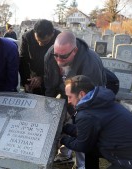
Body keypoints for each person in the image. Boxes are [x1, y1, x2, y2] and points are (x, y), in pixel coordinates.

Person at [61, 75, 132, 169]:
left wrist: (62, 139)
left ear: (81, 94)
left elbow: (81, 145)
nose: (69, 101)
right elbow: (86, 133)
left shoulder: (87, 114)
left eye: (70, 97)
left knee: (88, 146)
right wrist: (65, 128)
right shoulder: (100, 101)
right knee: (91, 147)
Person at [44, 31, 106, 168]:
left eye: (63, 56)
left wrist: (75, 114)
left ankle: (81, 164)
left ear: (75, 51)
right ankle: (65, 154)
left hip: (89, 97)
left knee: (82, 127)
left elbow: (89, 100)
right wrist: (49, 108)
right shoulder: (50, 55)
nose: (58, 60)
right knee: (61, 119)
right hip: (65, 91)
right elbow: (49, 84)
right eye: (56, 55)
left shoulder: (90, 64)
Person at [19, 19, 60, 95]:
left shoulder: (59, 38)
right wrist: (26, 82)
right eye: (38, 41)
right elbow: (23, 60)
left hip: (52, 78)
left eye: (45, 42)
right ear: (34, 33)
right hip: (33, 78)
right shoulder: (27, 37)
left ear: (52, 34)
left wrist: (42, 78)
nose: (40, 44)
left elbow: (59, 65)